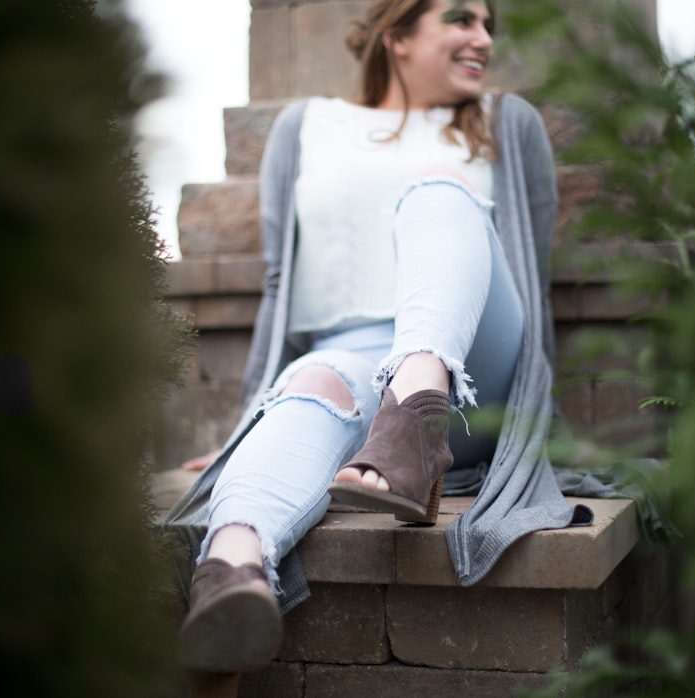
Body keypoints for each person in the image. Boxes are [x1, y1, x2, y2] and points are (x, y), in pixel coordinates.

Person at [166, 0, 593, 675]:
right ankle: (232, 572)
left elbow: (531, 282)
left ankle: (417, 413)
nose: (482, 38)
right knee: (306, 384)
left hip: (474, 369)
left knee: (437, 190)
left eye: (489, 25)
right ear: (397, 35)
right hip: (350, 350)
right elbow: (280, 284)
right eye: (461, 19)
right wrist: (245, 417)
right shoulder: (305, 129)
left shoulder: (508, 125)